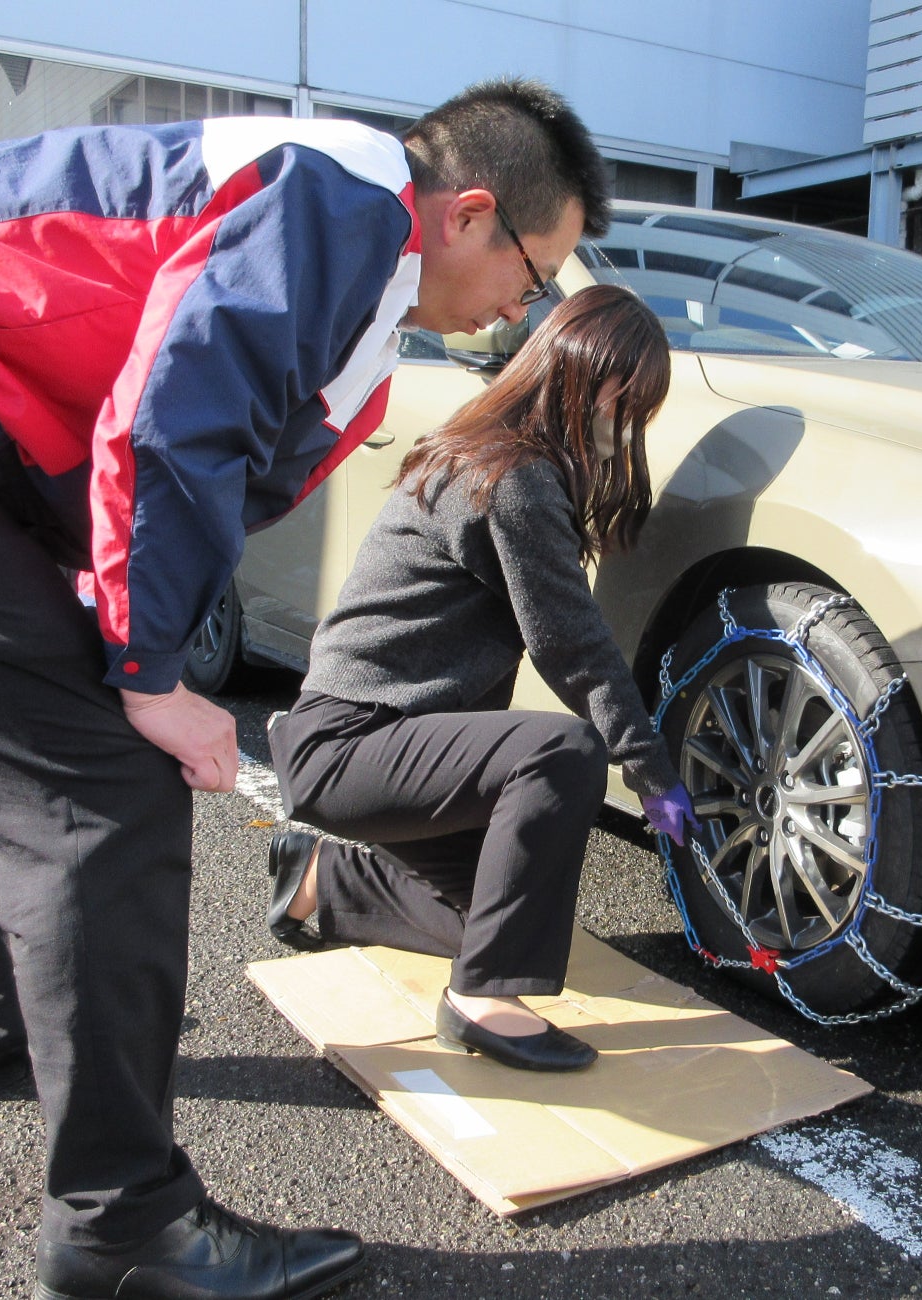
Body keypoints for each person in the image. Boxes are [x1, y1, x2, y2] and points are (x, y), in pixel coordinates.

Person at [0, 78, 609, 1300]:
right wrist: (151, 669)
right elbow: (178, 418)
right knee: (106, 784)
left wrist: (114, 632)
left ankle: (0, 1035)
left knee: (49, 753)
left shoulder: (355, 254)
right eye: (532, 274)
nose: (521, 308)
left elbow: (170, 426)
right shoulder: (342, 200)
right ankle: (122, 1226)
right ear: (471, 214)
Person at [264, 284, 699, 1074]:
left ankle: (318, 880)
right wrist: (653, 773)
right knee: (563, 752)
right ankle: (482, 1003)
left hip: (388, 743)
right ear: (578, 373)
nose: (630, 422)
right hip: (352, 741)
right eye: (626, 397)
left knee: (501, 919)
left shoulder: (498, 453)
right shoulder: (512, 475)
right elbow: (572, 648)